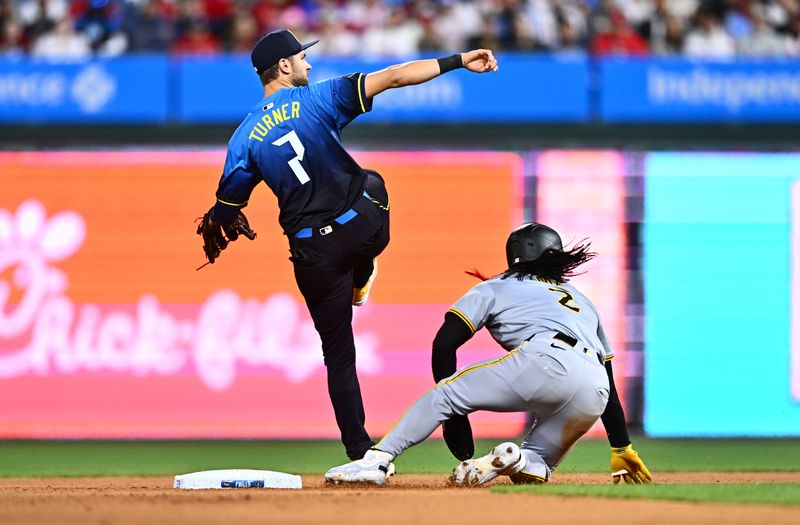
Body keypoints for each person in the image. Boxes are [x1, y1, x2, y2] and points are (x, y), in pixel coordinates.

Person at [195, 28, 499, 461]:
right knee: (372, 180)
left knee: (338, 355)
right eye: (302, 58)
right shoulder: (318, 98)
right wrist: (459, 59)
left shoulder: (243, 139)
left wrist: (218, 220)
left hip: (312, 255)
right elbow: (394, 77)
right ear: (284, 66)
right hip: (361, 227)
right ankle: (364, 267)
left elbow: (226, 208)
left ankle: (361, 454)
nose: (308, 64)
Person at [325, 223, 652, 485]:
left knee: (445, 394)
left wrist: (454, 413)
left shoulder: (496, 286)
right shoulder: (581, 299)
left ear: (515, 256)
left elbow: (444, 344)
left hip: (548, 360)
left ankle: (376, 459)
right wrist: (621, 445)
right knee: (534, 468)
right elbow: (607, 377)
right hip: (594, 391)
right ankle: (515, 458)